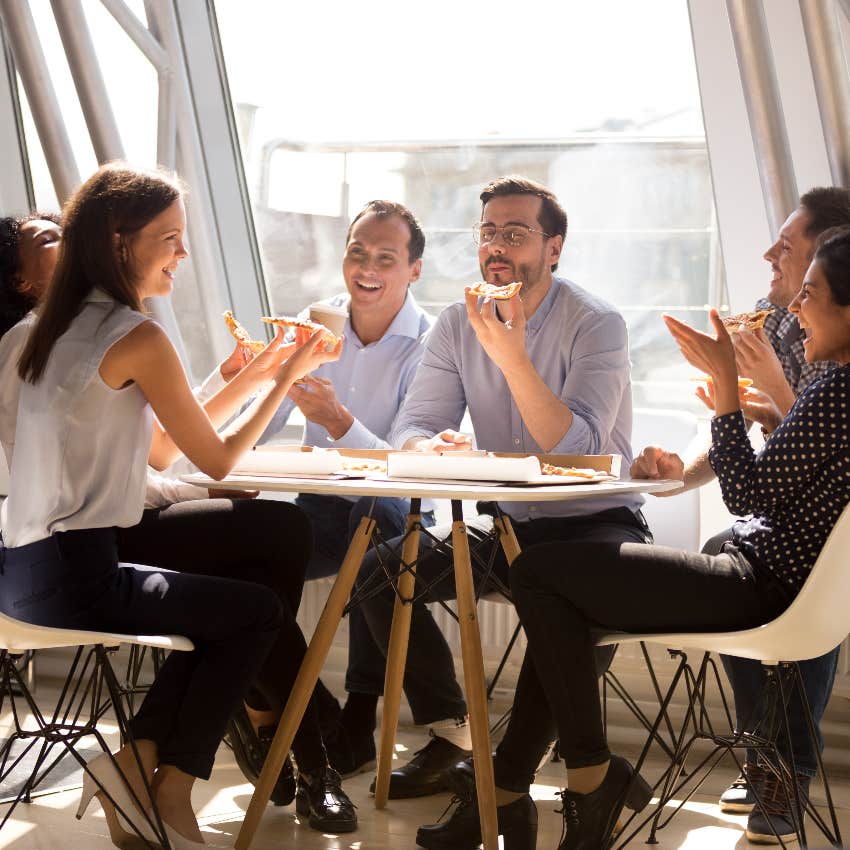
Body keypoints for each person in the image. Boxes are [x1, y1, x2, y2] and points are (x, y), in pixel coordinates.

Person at [0, 163, 341, 850]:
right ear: (122, 242)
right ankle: (167, 780)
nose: (182, 255)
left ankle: (144, 768)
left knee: (242, 595)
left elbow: (157, 452)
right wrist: (288, 381)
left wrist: (263, 373)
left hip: (16, 578)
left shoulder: (24, 336)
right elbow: (212, 462)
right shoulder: (135, 335)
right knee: (258, 609)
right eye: (172, 238)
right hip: (81, 575)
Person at [482, 226, 850, 849]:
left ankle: (584, 780)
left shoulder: (839, 388)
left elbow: (748, 495)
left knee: (541, 575)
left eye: (809, 293)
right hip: (765, 580)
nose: (794, 308)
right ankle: (572, 778)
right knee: (555, 583)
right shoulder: (833, 388)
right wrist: (748, 409)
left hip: (761, 588)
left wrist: (728, 386)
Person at [351, 176, 651, 828]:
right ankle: (454, 739)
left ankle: (500, 789)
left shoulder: (597, 324)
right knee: (378, 576)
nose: (495, 246)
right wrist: (433, 446)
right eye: (488, 232)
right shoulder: (459, 323)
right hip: (513, 532)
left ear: (554, 248)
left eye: (515, 234)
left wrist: (512, 357)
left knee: (564, 609)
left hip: (595, 525)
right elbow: (414, 422)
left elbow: (577, 449)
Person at [631, 186, 850, 842]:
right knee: (734, 541)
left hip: (809, 526)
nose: (770, 257)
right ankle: (764, 755)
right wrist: (682, 471)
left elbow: (801, 432)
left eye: (789, 249)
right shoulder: (770, 318)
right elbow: (756, 438)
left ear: (829, 255)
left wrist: (746, 393)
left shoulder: (832, 363)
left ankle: (788, 767)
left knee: (793, 572)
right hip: (782, 500)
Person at [256, 199, 436, 777]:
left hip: (399, 507)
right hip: (324, 500)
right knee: (251, 555)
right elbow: (264, 423)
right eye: (358, 251)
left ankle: (359, 715)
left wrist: (338, 423)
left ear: (413, 271)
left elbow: (411, 465)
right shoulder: (318, 324)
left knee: (375, 544)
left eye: (387, 257)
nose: (368, 267)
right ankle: (296, 704)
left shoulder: (432, 345)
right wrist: (259, 377)